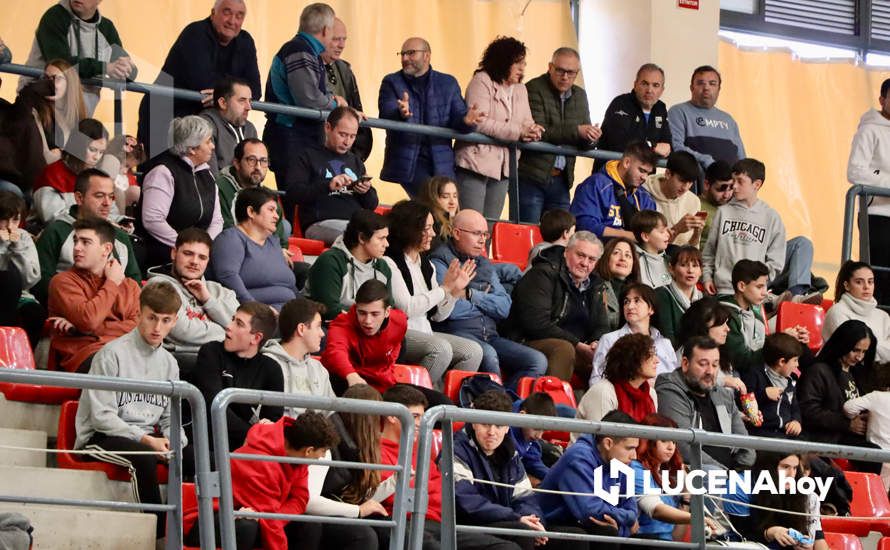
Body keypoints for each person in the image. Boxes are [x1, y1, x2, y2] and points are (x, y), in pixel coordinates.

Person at [74, 282, 185, 539]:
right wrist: (147, 440)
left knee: (194, 456)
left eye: (165, 320)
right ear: (139, 314)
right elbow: (102, 418)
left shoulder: (170, 364)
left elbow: (170, 417)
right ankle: (158, 538)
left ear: (174, 321)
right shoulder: (111, 354)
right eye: (152, 318)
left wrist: (175, 442)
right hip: (98, 438)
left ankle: (190, 535)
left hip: (147, 439)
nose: (158, 328)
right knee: (144, 457)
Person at [378, 385, 520, 550]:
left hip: (437, 523)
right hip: (403, 523)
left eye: (422, 418)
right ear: (392, 416)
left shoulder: (419, 451)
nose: (420, 424)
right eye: (415, 416)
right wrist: (424, 489)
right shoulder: (376, 451)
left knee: (507, 547)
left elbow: (442, 492)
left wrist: (421, 488)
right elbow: (394, 497)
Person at [184, 411, 340, 550]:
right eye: (323, 451)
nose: (321, 457)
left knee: (309, 526)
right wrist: (274, 516)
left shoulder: (298, 458)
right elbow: (270, 522)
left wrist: (278, 514)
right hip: (208, 518)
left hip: (259, 513)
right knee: (247, 525)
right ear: (309, 451)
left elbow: (300, 499)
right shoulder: (262, 462)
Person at [429, 209, 547, 388]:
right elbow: (451, 310)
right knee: (489, 354)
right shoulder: (441, 262)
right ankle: (495, 407)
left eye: (485, 234)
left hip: (490, 335)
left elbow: (504, 307)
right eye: (477, 234)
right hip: (456, 333)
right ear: (457, 233)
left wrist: (470, 294)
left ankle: (508, 401)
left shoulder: (483, 263)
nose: (483, 240)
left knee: (537, 361)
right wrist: (485, 298)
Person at [137, 0, 261, 156]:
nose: (232, 21)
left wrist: (220, 94)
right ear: (213, 13)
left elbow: (255, 90)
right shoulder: (195, 33)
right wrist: (228, 94)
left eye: (239, 15)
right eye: (227, 12)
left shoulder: (245, 41)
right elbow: (201, 83)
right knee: (157, 173)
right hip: (163, 113)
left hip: (199, 123)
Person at [384, 200, 483, 384]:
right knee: (441, 349)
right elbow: (407, 308)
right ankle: (416, 399)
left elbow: (438, 316)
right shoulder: (389, 262)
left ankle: (450, 404)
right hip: (401, 333)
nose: (433, 234)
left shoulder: (427, 265)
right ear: (409, 229)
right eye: (427, 228)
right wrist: (444, 289)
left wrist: (453, 292)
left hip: (425, 330)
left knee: (473, 351)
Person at [702, 158, 819, 304]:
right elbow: (709, 252)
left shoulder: (771, 217)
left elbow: (776, 261)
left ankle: (788, 297)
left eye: (740, 182)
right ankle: (774, 300)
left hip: (754, 293)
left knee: (803, 243)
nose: (735, 187)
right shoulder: (723, 212)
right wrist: (707, 277)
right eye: (733, 181)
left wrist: (758, 284)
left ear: (756, 185)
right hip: (725, 290)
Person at [378, 37, 485, 197]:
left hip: (441, 162)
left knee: (445, 209)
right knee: (433, 202)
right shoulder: (391, 81)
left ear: (427, 56)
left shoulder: (447, 83)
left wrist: (466, 121)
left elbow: (458, 117)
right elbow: (386, 112)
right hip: (408, 160)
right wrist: (400, 112)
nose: (405, 58)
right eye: (402, 54)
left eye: (411, 53)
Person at [323, 280, 452, 406]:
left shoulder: (399, 321)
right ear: (356, 308)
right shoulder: (342, 323)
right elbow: (335, 352)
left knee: (443, 404)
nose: (368, 321)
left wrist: (388, 367)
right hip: (348, 383)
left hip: (383, 385)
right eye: (362, 313)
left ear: (387, 311)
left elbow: (396, 344)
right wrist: (351, 376)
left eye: (375, 314)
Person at [453, 390, 552, 550]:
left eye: (499, 425)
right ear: (473, 422)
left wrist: (535, 520)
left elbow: (525, 497)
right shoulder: (456, 449)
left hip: (503, 521)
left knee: (564, 537)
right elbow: (465, 502)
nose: (492, 432)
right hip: (468, 525)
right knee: (522, 534)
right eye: (485, 424)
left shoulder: (510, 453)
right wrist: (517, 518)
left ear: (507, 428)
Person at [505, 231, 609, 381]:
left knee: (616, 359)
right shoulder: (543, 274)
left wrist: (596, 344)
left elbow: (601, 325)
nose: (585, 263)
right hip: (527, 340)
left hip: (576, 346)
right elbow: (536, 324)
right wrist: (577, 345)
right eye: (580, 255)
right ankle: (549, 401)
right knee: (563, 349)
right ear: (566, 252)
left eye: (591, 259)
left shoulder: (595, 284)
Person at [454, 36, 538, 220]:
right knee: (470, 224)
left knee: (489, 228)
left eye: (524, 63)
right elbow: (480, 121)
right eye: (517, 63)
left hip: (504, 169)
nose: (522, 68)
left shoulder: (521, 89)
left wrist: (533, 130)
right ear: (503, 61)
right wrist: (518, 132)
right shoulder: (481, 81)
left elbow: (526, 120)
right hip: (474, 164)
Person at [264, 3, 343, 191]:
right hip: (290, 137)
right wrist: (335, 104)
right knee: (296, 197)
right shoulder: (299, 50)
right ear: (325, 30)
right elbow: (308, 98)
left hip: (297, 136)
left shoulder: (306, 50)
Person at [35, 168, 141, 304]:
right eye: (99, 196)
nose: (107, 203)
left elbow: (134, 282)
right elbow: (41, 282)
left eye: (111, 196)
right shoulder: (57, 231)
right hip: (70, 310)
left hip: (116, 314)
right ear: (79, 198)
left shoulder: (120, 236)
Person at [47, 218, 140, 373]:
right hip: (84, 357)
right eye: (75, 241)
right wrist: (111, 283)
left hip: (126, 354)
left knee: (162, 364)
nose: (77, 248)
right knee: (113, 363)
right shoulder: (62, 282)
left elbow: (139, 329)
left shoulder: (131, 286)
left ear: (106, 249)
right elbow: (89, 320)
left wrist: (81, 330)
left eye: (85, 242)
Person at [538, 410, 640, 549]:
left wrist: (620, 526)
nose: (634, 456)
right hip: (549, 525)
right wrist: (625, 520)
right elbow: (590, 511)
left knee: (650, 542)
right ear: (608, 443)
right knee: (600, 535)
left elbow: (632, 511)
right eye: (630, 448)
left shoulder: (622, 463)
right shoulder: (579, 456)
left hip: (584, 525)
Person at [517, 47, 595, 223]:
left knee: (560, 236)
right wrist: (577, 131)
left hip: (562, 178)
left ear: (577, 73)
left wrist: (591, 137)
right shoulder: (533, 88)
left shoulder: (580, 95)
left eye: (570, 72)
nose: (565, 76)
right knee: (527, 232)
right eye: (560, 70)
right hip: (531, 176)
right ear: (550, 67)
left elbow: (584, 136)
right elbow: (539, 131)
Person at [146, 227, 239, 375]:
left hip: (222, 363)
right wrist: (230, 334)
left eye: (202, 257)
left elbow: (245, 327)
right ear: (174, 253)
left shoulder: (221, 292)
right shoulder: (158, 287)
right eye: (188, 254)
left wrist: (208, 300)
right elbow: (182, 331)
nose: (194, 262)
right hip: (179, 365)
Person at [655, 336, 756, 469]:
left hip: (729, 472)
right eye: (703, 364)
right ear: (685, 364)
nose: (710, 371)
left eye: (715, 365)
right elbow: (684, 446)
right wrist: (726, 473)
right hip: (692, 470)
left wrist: (740, 469)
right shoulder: (670, 390)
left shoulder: (724, 395)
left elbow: (744, 443)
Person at [193, 302, 283, 451]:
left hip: (245, 446)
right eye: (233, 319)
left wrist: (263, 431)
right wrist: (253, 434)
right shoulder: (210, 352)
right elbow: (215, 406)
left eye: (239, 324)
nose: (229, 326)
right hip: (206, 442)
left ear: (256, 338)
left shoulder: (271, 369)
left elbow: (273, 420)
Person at [21, 0, 137, 114]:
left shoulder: (107, 28)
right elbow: (60, 64)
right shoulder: (54, 16)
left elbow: (130, 72)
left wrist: (126, 69)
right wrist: (105, 67)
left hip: (80, 114)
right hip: (41, 107)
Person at [138, 115, 222, 269]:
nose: (213, 146)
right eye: (208, 141)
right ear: (192, 148)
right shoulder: (163, 172)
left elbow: (217, 221)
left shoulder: (207, 175)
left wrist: (201, 248)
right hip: (163, 258)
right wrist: (185, 248)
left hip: (197, 260)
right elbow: (153, 219)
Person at [798, 319, 882, 472]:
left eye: (864, 352)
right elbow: (808, 410)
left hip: (853, 436)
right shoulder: (819, 371)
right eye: (856, 350)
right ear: (842, 345)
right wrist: (847, 424)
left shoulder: (858, 373)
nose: (860, 357)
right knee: (874, 454)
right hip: (829, 437)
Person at [287, 106, 378, 244]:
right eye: (342, 134)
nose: (347, 142)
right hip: (320, 223)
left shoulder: (355, 161)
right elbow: (294, 193)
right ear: (328, 128)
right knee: (360, 236)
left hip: (354, 223)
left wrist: (366, 191)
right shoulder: (307, 156)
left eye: (352, 136)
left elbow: (372, 204)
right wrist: (328, 186)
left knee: (386, 236)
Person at [631, 413, 719, 541]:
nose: (671, 447)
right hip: (644, 542)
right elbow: (655, 510)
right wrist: (698, 519)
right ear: (648, 441)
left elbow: (676, 537)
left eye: (673, 441)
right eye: (664, 440)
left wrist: (686, 497)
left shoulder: (667, 476)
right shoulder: (636, 468)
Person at [210, 186, 297, 311]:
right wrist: (258, 311)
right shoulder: (231, 238)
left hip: (288, 312)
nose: (276, 216)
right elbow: (228, 277)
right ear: (251, 212)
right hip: (255, 316)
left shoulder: (273, 242)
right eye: (271, 210)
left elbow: (290, 286)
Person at [719, 260, 809, 375]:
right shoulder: (726, 316)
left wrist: (787, 338)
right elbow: (742, 360)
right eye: (759, 287)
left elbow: (763, 345)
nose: (765, 293)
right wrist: (780, 344)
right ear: (741, 286)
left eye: (765, 286)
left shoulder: (756, 314)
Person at [848, 77, 890, 306]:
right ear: (882, 100)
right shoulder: (870, 129)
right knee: (879, 277)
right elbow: (855, 170)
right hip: (877, 214)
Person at [305, 209, 391, 321]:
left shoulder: (382, 267)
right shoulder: (330, 262)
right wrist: (371, 317)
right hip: (332, 328)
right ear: (361, 238)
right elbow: (328, 310)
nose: (387, 244)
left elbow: (390, 307)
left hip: (372, 328)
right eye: (381, 238)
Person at [263, 298, 337, 418]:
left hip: (317, 434)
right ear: (301, 329)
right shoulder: (266, 364)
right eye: (318, 326)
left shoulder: (318, 368)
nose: (322, 333)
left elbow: (331, 414)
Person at [590, 283, 677, 385]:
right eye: (626, 302)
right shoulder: (610, 340)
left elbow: (675, 380)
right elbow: (596, 380)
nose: (630, 306)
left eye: (637, 301)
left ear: (651, 309)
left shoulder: (665, 343)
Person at [570, 141, 657, 240]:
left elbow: (652, 232)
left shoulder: (644, 197)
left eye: (648, 173)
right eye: (642, 171)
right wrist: (627, 236)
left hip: (634, 253)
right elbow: (584, 225)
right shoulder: (595, 184)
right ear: (626, 162)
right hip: (596, 249)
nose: (645, 178)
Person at [215, 138, 289, 249]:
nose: (258, 167)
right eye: (252, 160)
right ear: (237, 163)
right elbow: (226, 233)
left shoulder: (267, 196)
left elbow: (280, 242)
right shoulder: (220, 188)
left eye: (263, 161)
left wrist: (279, 252)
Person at [597, 63, 672, 172]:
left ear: (662, 90)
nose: (649, 90)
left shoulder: (660, 108)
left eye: (655, 85)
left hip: (643, 179)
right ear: (635, 85)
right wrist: (653, 146)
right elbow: (619, 143)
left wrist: (662, 148)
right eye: (645, 83)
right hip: (611, 176)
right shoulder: (621, 103)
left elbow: (667, 146)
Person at [667, 65, 745, 169]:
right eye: (700, 83)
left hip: (730, 182)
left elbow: (742, 158)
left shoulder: (728, 120)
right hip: (696, 179)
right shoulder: (679, 112)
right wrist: (706, 160)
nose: (706, 88)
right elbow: (677, 148)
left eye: (712, 84)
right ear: (691, 88)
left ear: (719, 89)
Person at [32, 117, 107, 224]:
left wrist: (120, 222)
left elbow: (110, 210)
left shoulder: (97, 176)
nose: (97, 157)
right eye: (93, 150)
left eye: (101, 152)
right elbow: (53, 217)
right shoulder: (52, 175)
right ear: (78, 146)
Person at [748, 452, 830, 550]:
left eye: (795, 468)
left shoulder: (808, 497)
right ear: (770, 467)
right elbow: (742, 536)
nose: (791, 474)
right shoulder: (749, 492)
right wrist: (770, 533)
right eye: (785, 467)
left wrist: (805, 545)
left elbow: (818, 538)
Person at [320, 18, 372, 161]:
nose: (342, 45)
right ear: (322, 37)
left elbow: (356, 110)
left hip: (347, 154)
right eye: (336, 39)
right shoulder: (306, 65)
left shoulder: (345, 69)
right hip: (317, 148)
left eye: (344, 39)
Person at [578, 333, 660, 423]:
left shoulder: (650, 393)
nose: (657, 361)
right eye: (650, 355)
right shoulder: (603, 391)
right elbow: (601, 435)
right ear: (632, 359)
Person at [0, 191, 44, 348]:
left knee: (34, 313)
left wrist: (17, 247)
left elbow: (31, 279)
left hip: (20, 294)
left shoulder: (23, 237)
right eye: (4, 220)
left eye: (15, 219)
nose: (10, 226)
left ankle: (22, 361)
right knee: (7, 280)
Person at [674, 297, 745, 394]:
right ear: (703, 326)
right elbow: (688, 384)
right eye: (721, 324)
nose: (727, 329)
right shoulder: (685, 353)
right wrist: (723, 381)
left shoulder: (722, 353)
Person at [824, 261, 890, 363]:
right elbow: (854, 354)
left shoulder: (883, 316)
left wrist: (872, 347)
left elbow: (866, 351)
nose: (866, 287)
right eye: (859, 282)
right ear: (847, 285)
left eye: (870, 282)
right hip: (843, 374)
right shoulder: (837, 312)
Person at [741, 333, 803, 440]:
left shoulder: (791, 380)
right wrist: (764, 394)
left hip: (786, 434)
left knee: (811, 453)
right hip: (761, 435)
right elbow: (743, 402)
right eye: (795, 360)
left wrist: (796, 421)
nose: (797, 365)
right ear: (782, 362)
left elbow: (795, 407)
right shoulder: (755, 374)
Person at [642, 151, 704, 246]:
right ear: (667, 174)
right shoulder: (644, 193)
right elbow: (648, 244)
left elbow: (693, 249)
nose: (685, 188)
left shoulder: (694, 201)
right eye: (682, 181)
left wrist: (697, 234)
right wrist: (677, 229)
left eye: (690, 183)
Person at [200, 76, 257, 175]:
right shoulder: (206, 125)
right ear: (223, 103)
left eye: (250, 101)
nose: (249, 107)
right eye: (242, 100)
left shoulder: (250, 129)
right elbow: (211, 179)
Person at [843, 367, 890, 489]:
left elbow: (848, 408)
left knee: (878, 493)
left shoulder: (877, 396)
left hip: (875, 458)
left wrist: (856, 417)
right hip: (878, 458)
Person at [652, 245, 703, 348]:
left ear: (701, 270)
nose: (690, 270)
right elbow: (668, 340)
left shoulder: (703, 298)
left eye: (695, 265)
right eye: (684, 265)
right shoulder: (661, 294)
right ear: (671, 269)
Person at [510, 392, 558, 486]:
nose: (539, 436)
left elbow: (533, 461)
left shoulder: (528, 436)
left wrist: (555, 478)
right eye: (536, 429)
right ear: (522, 416)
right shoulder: (504, 432)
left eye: (543, 431)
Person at [593, 237, 640, 332]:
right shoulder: (595, 286)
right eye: (616, 253)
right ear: (606, 258)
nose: (623, 258)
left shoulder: (639, 292)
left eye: (628, 256)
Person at [630, 210, 671, 289]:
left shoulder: (668, 260)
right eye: (662, 231)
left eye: (667, 230)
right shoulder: (634, 261)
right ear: (645, 236)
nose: (668, 235)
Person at [419, 175, 459, 251]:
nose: (452, 202)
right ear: (432, 198)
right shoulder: (430, 222)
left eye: (455, 196)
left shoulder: (454, 221)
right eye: (445, 197)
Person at [698, 160, 733, 245]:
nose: (726, 195)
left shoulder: (735, 206)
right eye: (721, 189)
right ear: (706, 184)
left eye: (731, 188)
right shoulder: (695, 205)